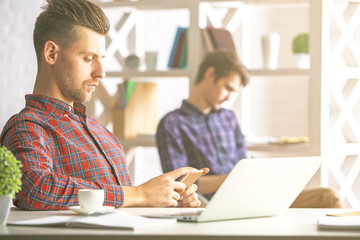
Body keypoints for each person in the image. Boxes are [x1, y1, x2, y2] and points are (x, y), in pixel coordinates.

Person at [0, 0, 208, 210]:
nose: (101, 72)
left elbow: (119, 206)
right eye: (89, 59)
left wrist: (165, 200)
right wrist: (139, 194)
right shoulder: (28, 126)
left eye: (101, 59)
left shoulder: (102, 133)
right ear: (51, 54)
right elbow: (35, 189)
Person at [157, 50, 343, 208]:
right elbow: (179, 185)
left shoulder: (228, 118)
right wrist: (235, 177)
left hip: (253, 197)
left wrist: (256, 174)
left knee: (329, 197)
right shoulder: (172, 123)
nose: (229, 97)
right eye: (227, 88)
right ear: (210, 75)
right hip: (216, 206)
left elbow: (243, 163)